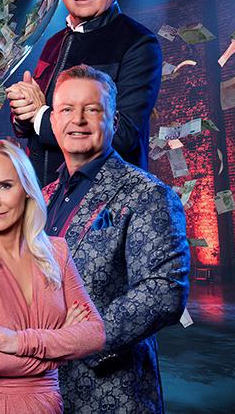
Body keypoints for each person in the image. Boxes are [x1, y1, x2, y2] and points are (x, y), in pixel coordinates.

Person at [44, 65, 189, 413]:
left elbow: (164, 291)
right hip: (43, 393)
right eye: (67, 109)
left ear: (114, 120)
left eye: (92, 109)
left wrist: (74, 339)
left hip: (111, 396)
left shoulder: (147, 193)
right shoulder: (42, 197)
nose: (78, 120)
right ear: (53, 121)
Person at [0, 140, 105, 413]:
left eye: (5, 186)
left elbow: (95, 334)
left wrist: (17, 341)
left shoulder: (57, 252)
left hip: (46, 404)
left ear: (27, 190)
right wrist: (62, 347)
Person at [6, 0, 162, 186]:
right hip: (45, 196)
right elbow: (34, 126)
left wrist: (39, 115)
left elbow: (123, 137)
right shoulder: (53, 42)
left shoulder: (138, 42)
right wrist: (23, 112)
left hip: (103, 199)